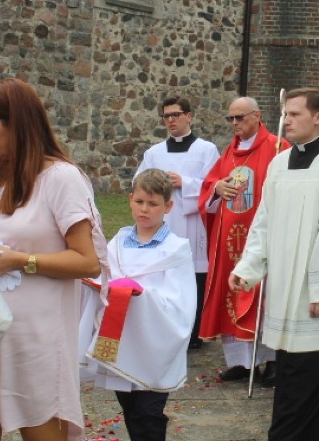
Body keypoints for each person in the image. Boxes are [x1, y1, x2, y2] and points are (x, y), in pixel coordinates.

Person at [0, 78, 106, 441]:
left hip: (35, 341)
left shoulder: (62, 179)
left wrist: (21, 260)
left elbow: (87, 261)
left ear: (16, 123)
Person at [229, 88, 319, 441]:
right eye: (285, 114)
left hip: (317, 294)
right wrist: (249, 266)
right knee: (289, 373)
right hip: (285, 286)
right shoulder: (279, 162)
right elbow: (264, 221)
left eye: (294, 114)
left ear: (318, 117)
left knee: (315, 377)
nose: (286, 120)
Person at [81, 169, 196, 441]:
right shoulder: (118, 243)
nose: (145, 210)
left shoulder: (176, 249)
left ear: (168, 206)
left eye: (153, 204)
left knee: (149, 413)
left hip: (155, 345)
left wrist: (143, 296)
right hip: (123, 343)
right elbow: (105, 277)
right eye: (140, 202)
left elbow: (182, 303)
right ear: (131, 199)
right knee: (131, 410)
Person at [198, 97, 288, 383]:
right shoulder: (228, 154)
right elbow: (210, 187)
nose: (235, 123)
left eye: (240, 118)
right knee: (231, 293)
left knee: (266, 296)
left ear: (257, 116)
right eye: (231, 119)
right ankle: (241, 362)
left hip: (262, 236)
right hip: (229, 239)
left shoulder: (278, 147)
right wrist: (217, 187)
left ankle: (272, 360)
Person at [135, 96, 219, 349]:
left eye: (175, 114)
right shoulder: (154, 153)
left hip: (192, 225)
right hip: (162, 224)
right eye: (166, 116)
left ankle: (193, 333)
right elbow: (138, 185)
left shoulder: (206, 150)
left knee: (192, 278)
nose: (170, 120)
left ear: (189, 116)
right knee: (161, 276)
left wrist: (186, 183)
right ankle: (162, 327)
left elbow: (215, 186)